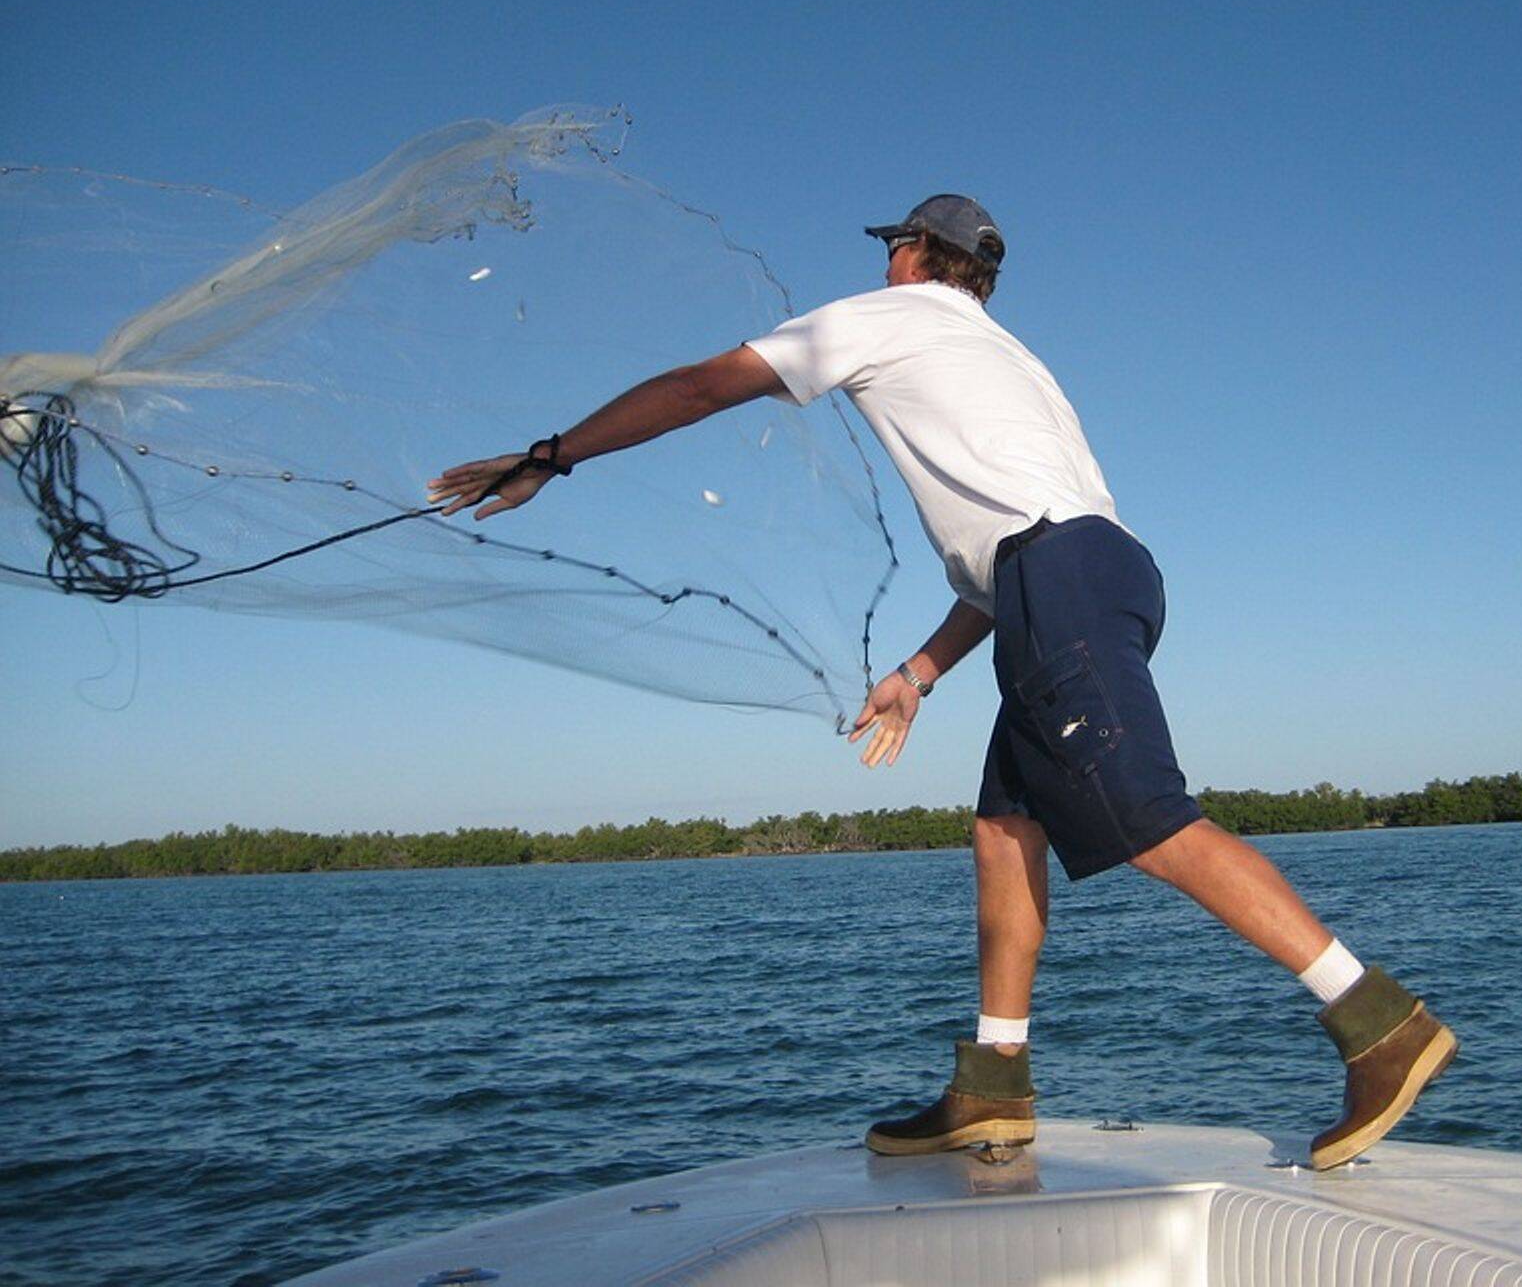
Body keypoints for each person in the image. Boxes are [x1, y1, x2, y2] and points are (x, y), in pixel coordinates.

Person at [427, 195, 1455, 1168]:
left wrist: (554, 455)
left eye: (894, 246)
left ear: (919, 254)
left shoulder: (891, 316)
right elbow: (1002, 560)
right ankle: (993, 1085)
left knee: (1143, 812)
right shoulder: (1008, 358)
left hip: (1056, 573)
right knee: (1005, 829)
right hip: (1094, 574)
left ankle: (1379, 1023)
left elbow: (705, 385)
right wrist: (919, 673)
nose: (885, 261)